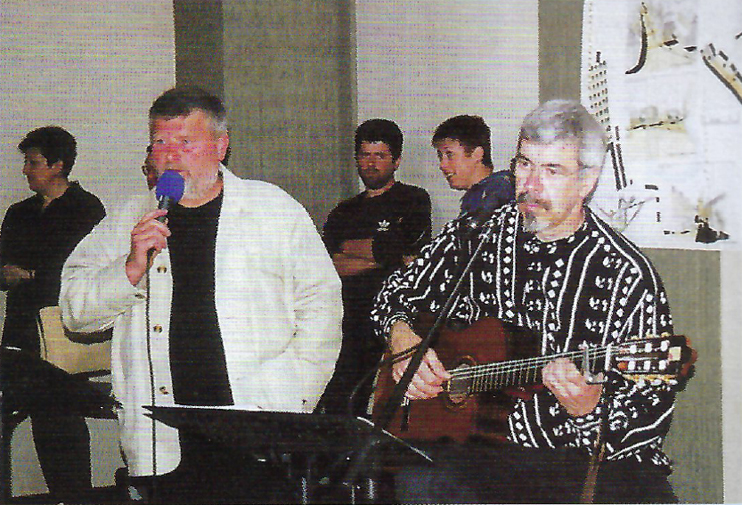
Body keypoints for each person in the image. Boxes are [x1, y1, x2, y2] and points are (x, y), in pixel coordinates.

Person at [371, 100, 681, 503]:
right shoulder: (481, 233)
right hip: (481, 443)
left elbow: (651, 412)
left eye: (552, 170)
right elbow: (394, 292)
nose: (530, 185)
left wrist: (591, 410)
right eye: (524, 164)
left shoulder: (627, 276)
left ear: (587, 180)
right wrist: (401, 336)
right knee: (415, 480)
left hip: (579, 457)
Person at [60, 87, 342, 503]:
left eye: (185, 143)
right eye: (160, 142)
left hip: (257, 426)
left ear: (220, 146)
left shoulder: (273, 210)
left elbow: (321, 305)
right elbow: (73, 311)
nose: (170, 156)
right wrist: (130, 269)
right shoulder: (127, 218)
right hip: (164, 436)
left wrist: (293, 392)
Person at [1, 126, 105, 502]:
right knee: (28, 421)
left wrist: (29, 274)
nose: (26, 170)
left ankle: (74, 495)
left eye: (34, 162)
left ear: (59, 165)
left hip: (64, 334)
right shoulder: (19, 212)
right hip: (21, 333)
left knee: (61, 418)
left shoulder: (86, 208)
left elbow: (81, 270)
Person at [320, 119, 432, 417]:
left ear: (396, 161)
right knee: (339, 402)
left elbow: (403, 252)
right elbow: (328, 264)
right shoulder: (343, 212)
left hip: (393, 323)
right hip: (345, 323)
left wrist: (351, 249)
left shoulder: (413, 200)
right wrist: (381, 253)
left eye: (379, 156)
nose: (370, 164)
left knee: (385, 407)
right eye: (364, 155)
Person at [433, 114, 514, 216]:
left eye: (450, 154)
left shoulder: (499, 195)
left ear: (477, 154)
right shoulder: (480, 197)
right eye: (440, 156)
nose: (442, 165)